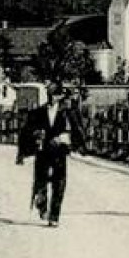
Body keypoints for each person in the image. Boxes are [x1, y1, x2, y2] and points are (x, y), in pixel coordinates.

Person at [17, 82, 75, 226]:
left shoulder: (67, 112)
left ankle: (54, 216)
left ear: (60, 96)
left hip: (59, 151)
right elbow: (26, 131)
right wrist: (34, 136)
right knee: (41, 181)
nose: (52, 98)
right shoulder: (39, 112)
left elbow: (75, 131)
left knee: (59, 183)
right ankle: (42, 204)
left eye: (55, 95)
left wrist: (62, 138)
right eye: (49, 95)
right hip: (43, 151)